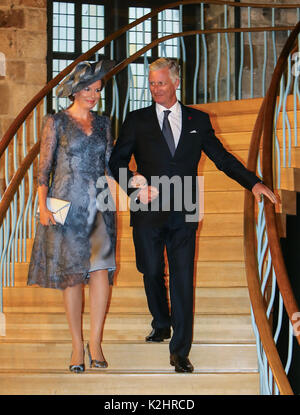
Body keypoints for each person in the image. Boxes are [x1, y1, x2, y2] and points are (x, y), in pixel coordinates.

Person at [109, 57, 278, 373]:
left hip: (184, 209)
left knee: (183, 277)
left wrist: (253, 183)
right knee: (150, 267)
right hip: (147, 208)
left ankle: (180, 350)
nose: (155, 88)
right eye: (152, 82)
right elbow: (116, 161)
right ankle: (161, 320)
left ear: (175, 83)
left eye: (161, 82)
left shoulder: (198, 120)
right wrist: (133, 184)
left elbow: (222, 159)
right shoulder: (136, 119)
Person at [27, 60, 116, 373]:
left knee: (102, 271)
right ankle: (77, 345)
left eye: (97, 89)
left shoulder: (105, 124)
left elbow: (110, 165)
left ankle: (96, 341)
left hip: (100, 206)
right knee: (73, 275)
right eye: (88, 88)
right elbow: (44, 168)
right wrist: (41, 205)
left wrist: (134, 183)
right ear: (74, 89)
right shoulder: (56, 122)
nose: (93, 95)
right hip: (67, 203)